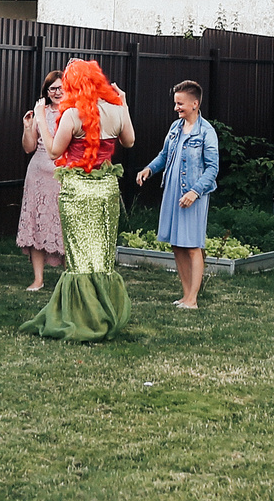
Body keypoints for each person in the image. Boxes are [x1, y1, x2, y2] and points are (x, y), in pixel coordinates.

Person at [19, 59, 138, 343]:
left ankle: (82, 317)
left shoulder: (72, 114)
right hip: (106, 188)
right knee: (101, 256)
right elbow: (130, 141)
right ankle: (104, 312)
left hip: (77, 190)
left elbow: (53, 151)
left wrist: (40, 118)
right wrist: (124, 103)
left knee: (80, 258)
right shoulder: (116, 110)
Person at [137, 81, 221, 310]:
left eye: (180, 103)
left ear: (195, 104)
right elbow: (164, 155)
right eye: (176, 103)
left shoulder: (207, 132)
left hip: (192, 195)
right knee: (177, 244)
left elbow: (213, 169)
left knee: (192, 245)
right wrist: (149, 169)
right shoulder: (175, 128)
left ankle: (193, 299)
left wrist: (195, 192)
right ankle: (185, 295)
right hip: (173, 192)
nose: (176, 108)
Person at [16, 69, 67, 291]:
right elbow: (28, 147)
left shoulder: (75, 113)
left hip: (64, 176)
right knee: (36, 223)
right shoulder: (39, 112)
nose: (57, 92)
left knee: (66, 225)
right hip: (38, 175)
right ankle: (38, 279)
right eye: (52, 88)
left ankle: (69, 278)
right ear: (46, 92)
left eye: (60, 87)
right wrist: (28, 128)